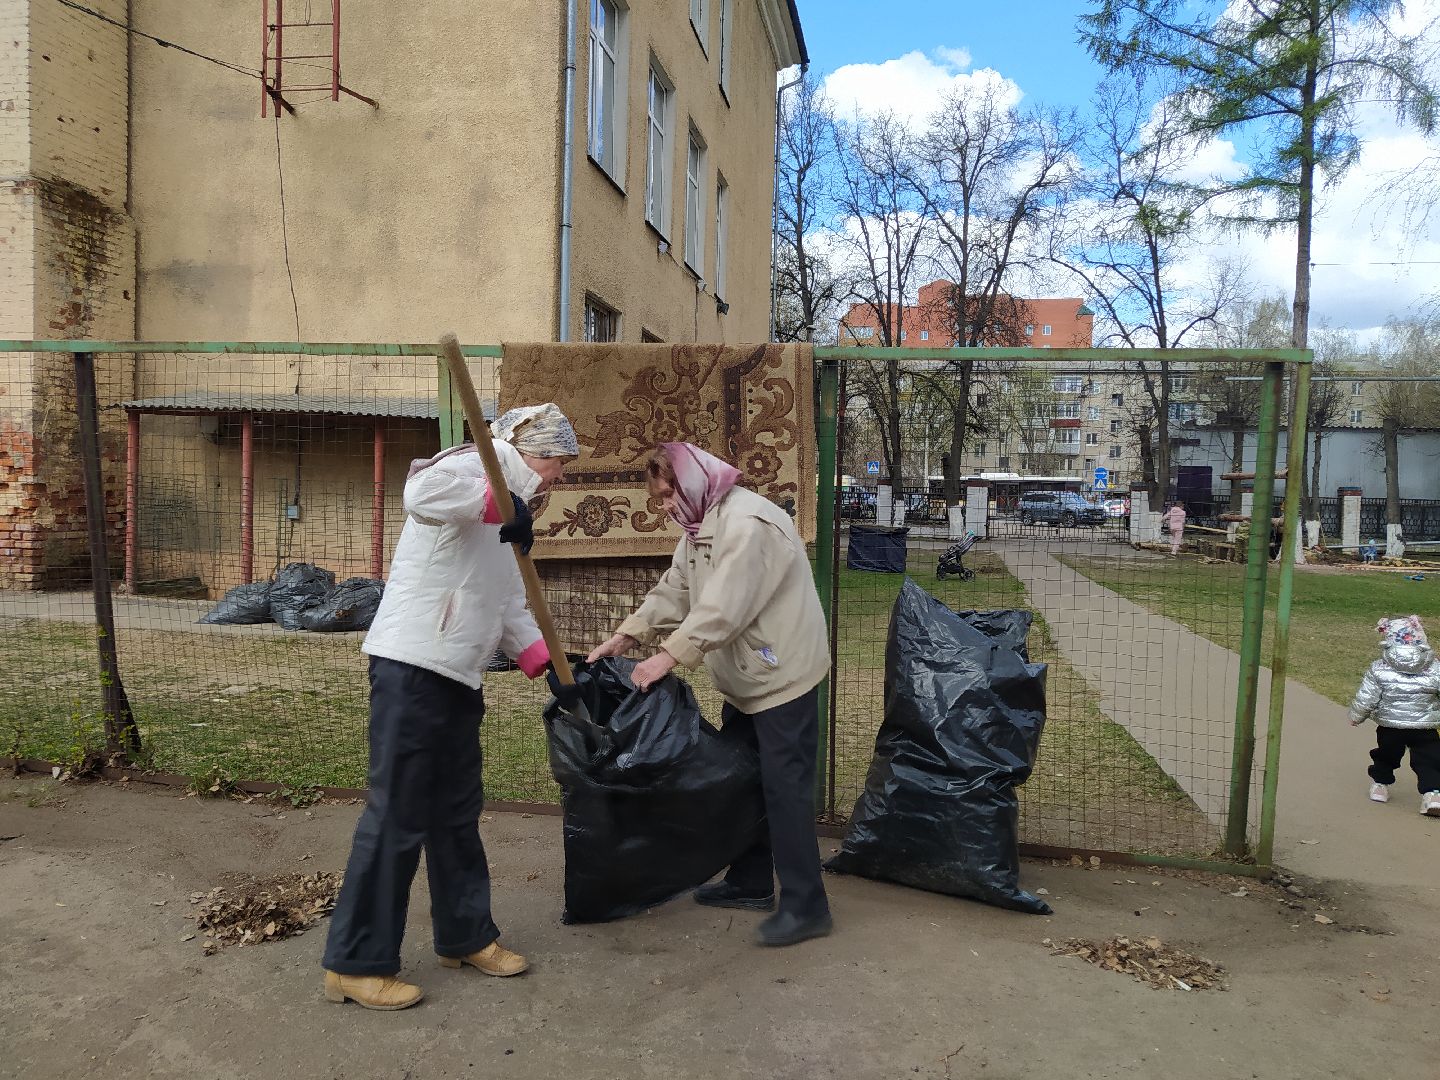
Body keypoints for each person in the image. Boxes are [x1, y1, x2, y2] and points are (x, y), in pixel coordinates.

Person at [321, 404, 579, 1011]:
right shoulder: (472, 467)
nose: (559, 477)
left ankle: (465, 936)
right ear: (526, 448)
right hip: (412, 663)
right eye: (557, 462)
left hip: (459, 675)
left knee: (457, 811)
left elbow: (510, 602)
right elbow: (421, 490)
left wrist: (549, 668)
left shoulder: (512, 512)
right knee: (397, 814)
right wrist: (498, 504)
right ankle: (354, 963)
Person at [584, 443, 833, 947]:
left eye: (669, 492)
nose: (666, 505)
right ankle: (751, 882)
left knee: (784, 792)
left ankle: (808, 906)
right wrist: (630, 634)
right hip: (748, 679)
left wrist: (668, 656)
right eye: (659, 498)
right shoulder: (701, 526)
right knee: (742, 781)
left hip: (783, 676)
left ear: (694, 480)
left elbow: (724, 607)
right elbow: (676, 588)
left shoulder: (749, 525)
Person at [1348, 615, 1440, 817]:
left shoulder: (1379, 668)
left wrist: (1357, 715)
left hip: (1391, 726)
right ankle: (1432, 794)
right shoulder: (1435, 668)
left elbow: (1367, 696)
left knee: (1386, 755)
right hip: (1425, 727)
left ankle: (1380, 785)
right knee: (1429, 759)